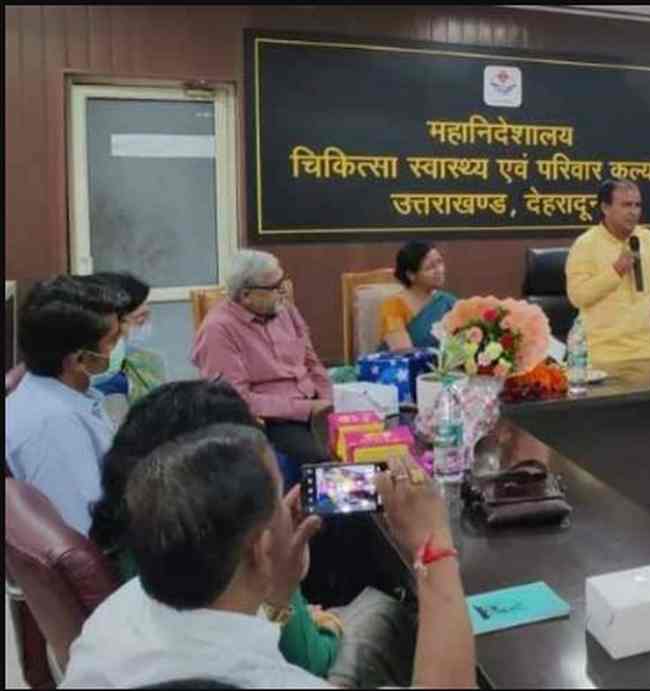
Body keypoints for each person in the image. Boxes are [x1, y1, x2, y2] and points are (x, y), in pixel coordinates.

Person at [62, 426, 475, 688]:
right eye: (277, 499)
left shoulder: (115, 613)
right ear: (259, 548)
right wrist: (433, 543)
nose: (289, 505)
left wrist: (276, 595)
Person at [88, 380, 394, 683]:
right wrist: (427, 555)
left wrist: (277, 602)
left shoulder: (120, 605)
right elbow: (309, 661)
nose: (284, 500)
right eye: (274, 493)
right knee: (382, 609)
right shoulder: (268, 678)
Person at [5, 276, 126, 534]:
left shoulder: (70, 393)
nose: (122, 344)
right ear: (79, 359)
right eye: (113, 340)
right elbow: (84, 533)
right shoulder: (52, 429)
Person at [192, 249, 332, 462]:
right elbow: (235, 400)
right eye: (275, 287)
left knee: (367, 439)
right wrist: (307, 409)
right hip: (271, 419)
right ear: (246, 295)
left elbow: (312, 362)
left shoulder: (284, 309)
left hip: (315, 403)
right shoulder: (218, 330)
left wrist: (328, 399)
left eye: (282, 283)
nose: (283, 292)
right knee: (324, 462)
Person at [566, 179, 650, 362]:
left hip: (646, 352)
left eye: (637, 205)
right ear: (605, 208)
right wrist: (615, 271)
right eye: (626, 205)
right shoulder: (585, 244)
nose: (633, 212)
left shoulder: (647, 239)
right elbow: (577, 296)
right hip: (603, 354)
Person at [87, 272, 166, 404]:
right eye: (140, 320)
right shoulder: (85, 382)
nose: (146, 326)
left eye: (147, 317)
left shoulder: (147, 362)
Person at [379, 240, 458, 352]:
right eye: (430, 268)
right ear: (411, 275)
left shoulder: (448, 302)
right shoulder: (393, 306)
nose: (439, 270)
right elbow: (403, 352)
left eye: (440, 262)